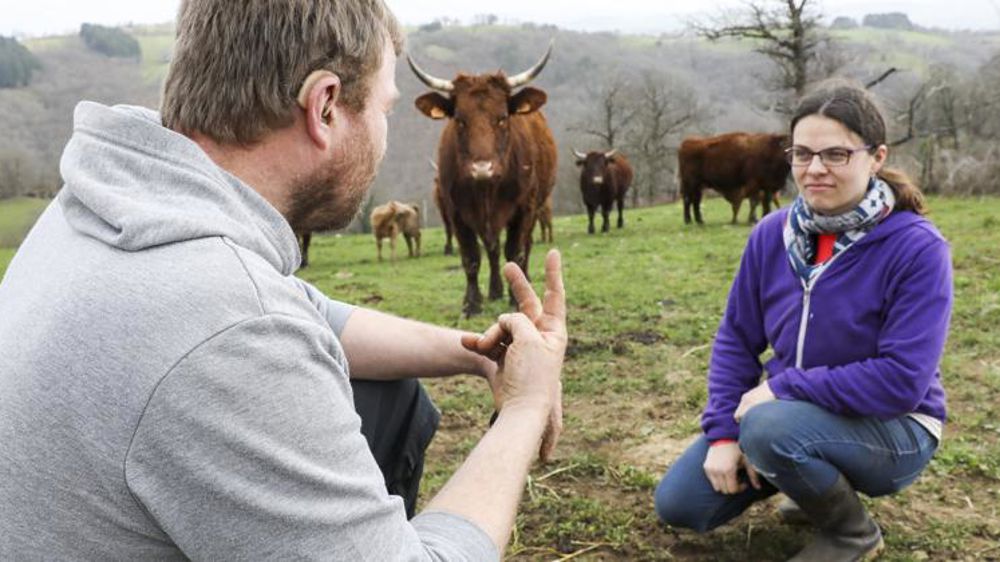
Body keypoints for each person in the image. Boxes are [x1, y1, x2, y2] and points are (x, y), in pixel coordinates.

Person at [0, 1, 566, 560]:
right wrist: (525, 405)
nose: (384, 133)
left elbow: (308, 312)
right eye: (385, 110)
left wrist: (480, 355)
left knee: (391, 393)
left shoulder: (109, 201)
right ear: (325, 107)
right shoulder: (230, 330)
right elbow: (249, 325)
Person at [654, 81, 952, 561]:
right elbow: (736, 339)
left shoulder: (917, 248)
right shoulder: (772, 234)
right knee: (680, 504)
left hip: (894, 427)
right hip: (789, 417)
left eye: (836, 154)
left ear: (876, 158)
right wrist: (724, 434)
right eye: (803, 154)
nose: (814, 169)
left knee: (769, 429)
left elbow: (901, 381)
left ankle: (851, 533)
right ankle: (804, 474)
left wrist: (783, 389)